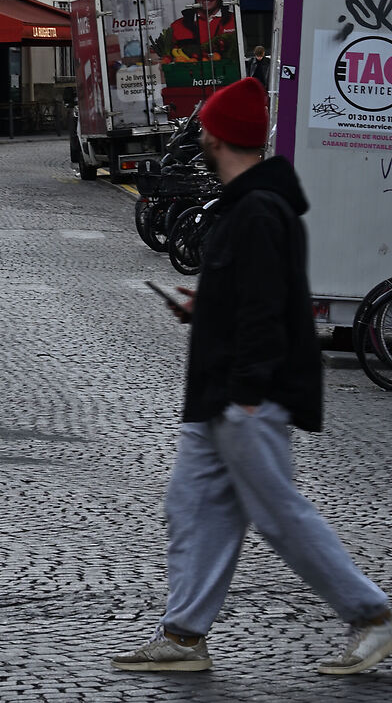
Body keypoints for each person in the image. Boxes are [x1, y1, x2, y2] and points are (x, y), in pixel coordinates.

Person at [113, 77, 392, 677]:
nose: (202, 136)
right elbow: (251, 296)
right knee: (192, 507)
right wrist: (202, 305)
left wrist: (245, 395)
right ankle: (184, 636)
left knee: (278, 514)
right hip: (221, 392)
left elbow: (267, 311)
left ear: (216, 136)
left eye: (206, 126)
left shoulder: (259, 209)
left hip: (244, 396)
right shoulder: (251, 205)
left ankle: (372, 615)